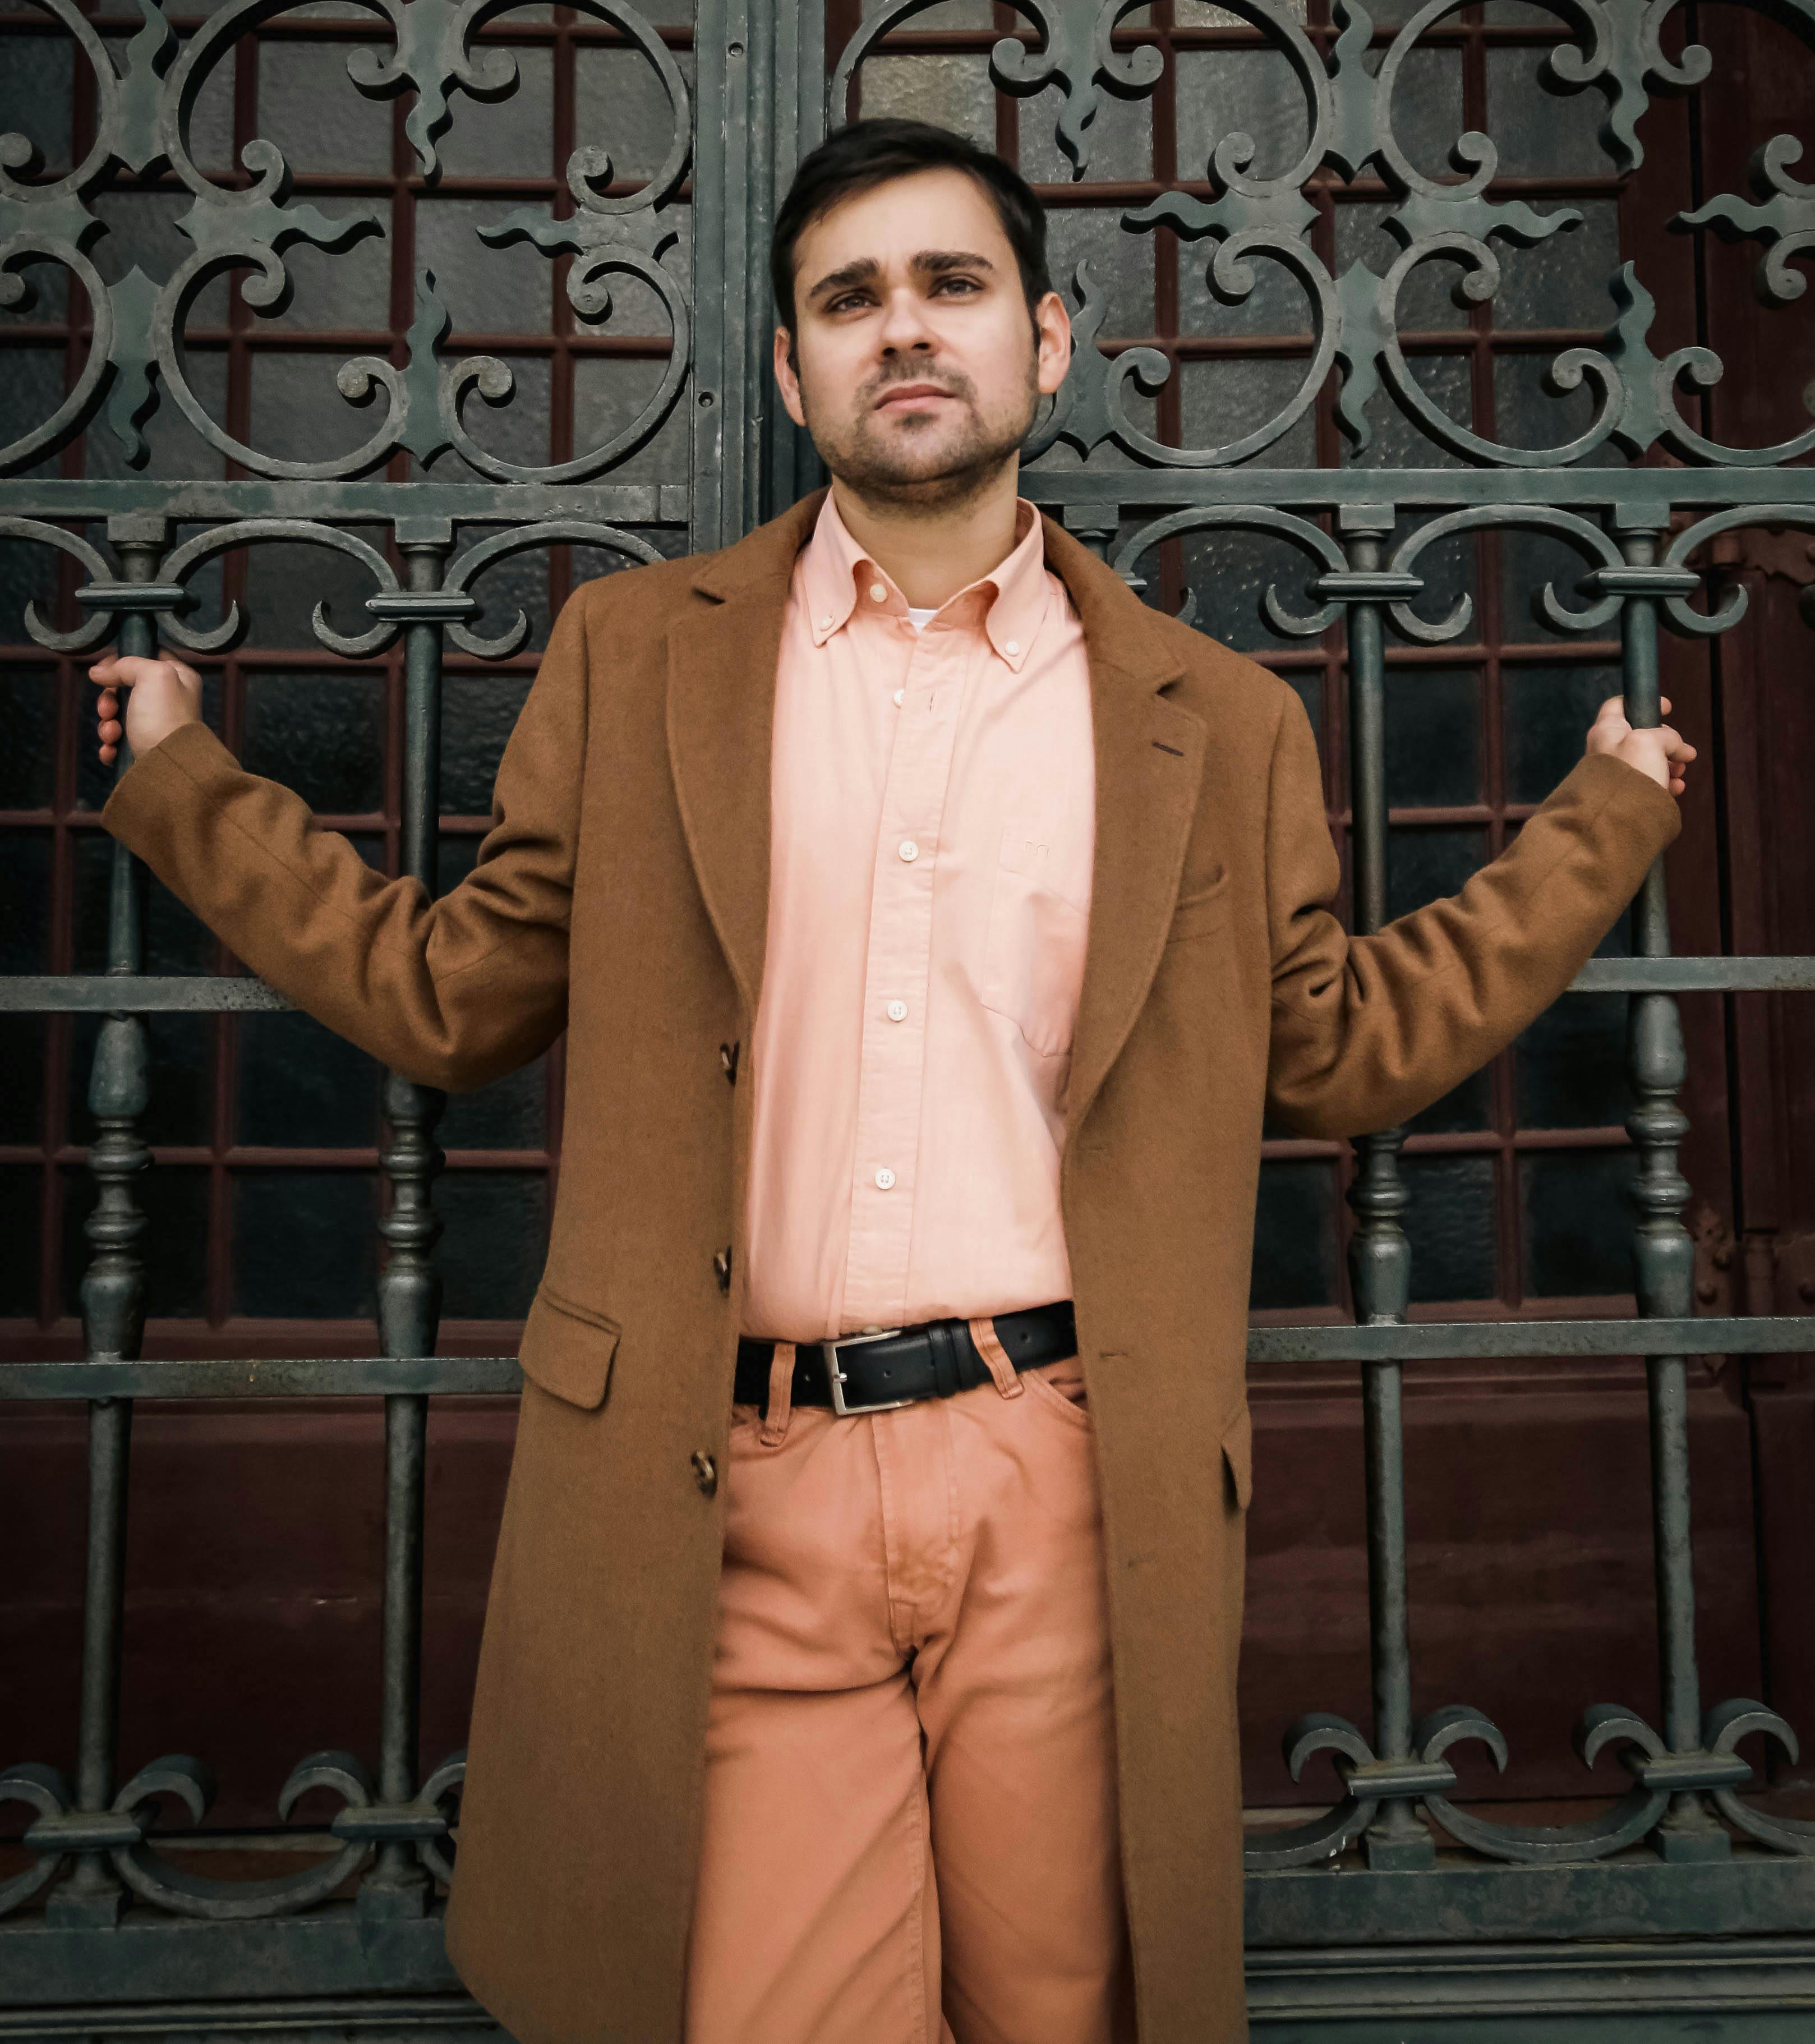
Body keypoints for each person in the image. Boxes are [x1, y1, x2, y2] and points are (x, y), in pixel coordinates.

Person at [90, 119, 1693, 2044]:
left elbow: (1345, 1050)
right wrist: (181, 783)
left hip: (1057, 1471)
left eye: (949, 286)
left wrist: (1598, 822)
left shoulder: (1213, 715)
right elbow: (451, 994)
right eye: (848, 300)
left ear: (1049, 337)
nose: (902, 331)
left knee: (1059, 2015)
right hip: (735, 1483)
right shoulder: (638, 659)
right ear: (788, 369)